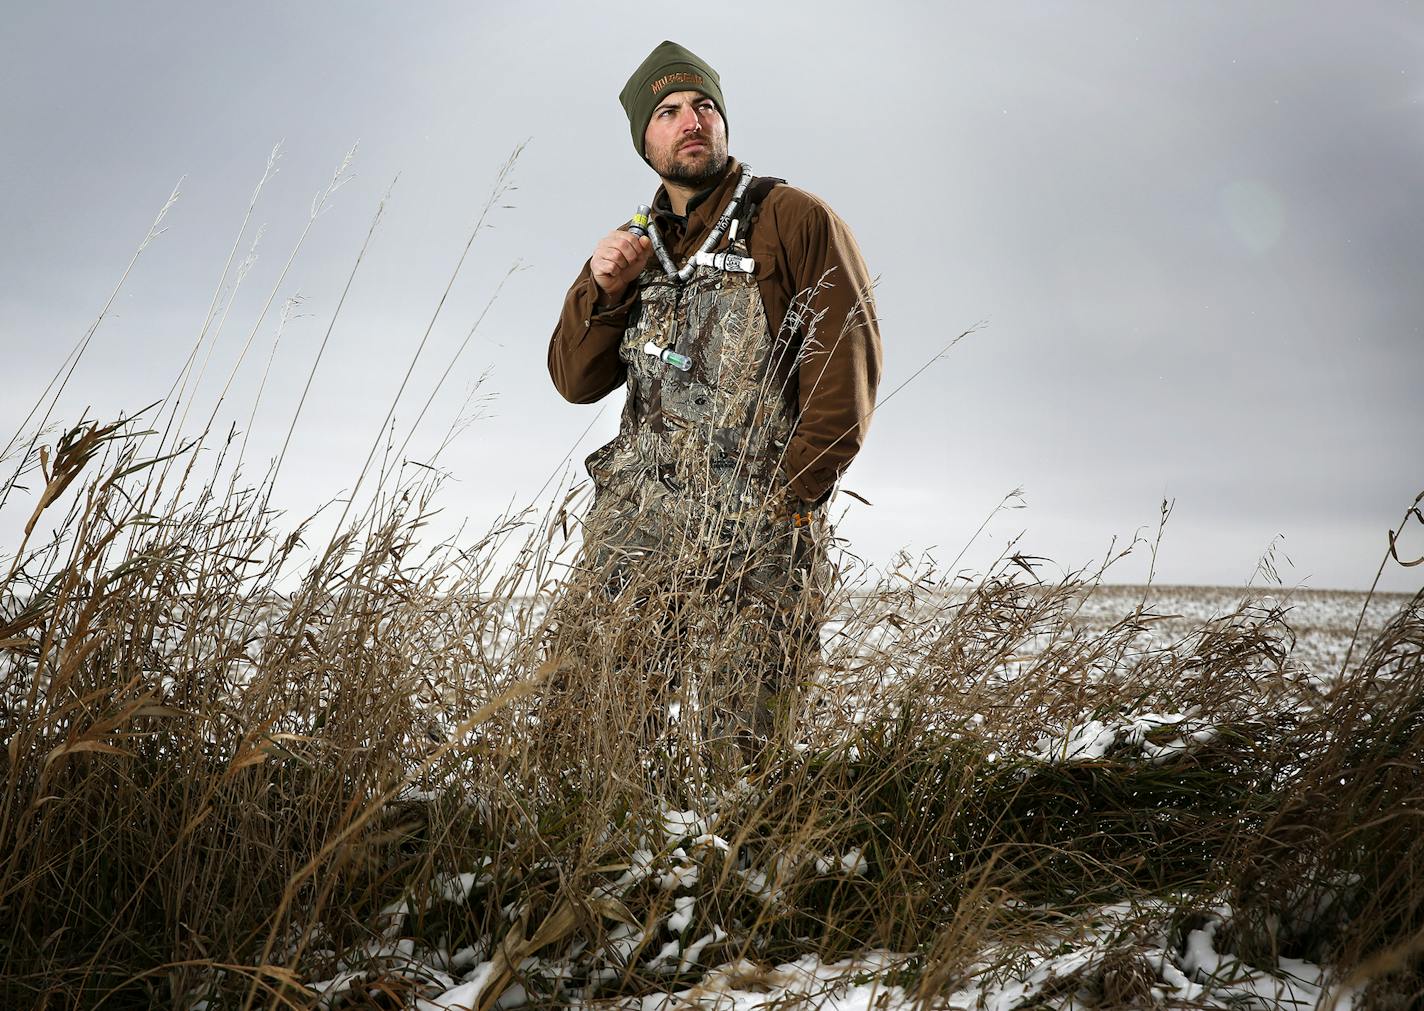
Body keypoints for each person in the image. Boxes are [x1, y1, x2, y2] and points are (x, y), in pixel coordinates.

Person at [546, 40, 881, 760]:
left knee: (741, 756)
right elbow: (575, 381)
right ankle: (603, 869)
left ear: (723, 122)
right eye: (667, 112)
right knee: (587, 734)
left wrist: (791, 499)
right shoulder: (635, 246)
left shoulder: (792, 219)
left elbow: (844, 368)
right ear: (646, 141)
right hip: (637, 533)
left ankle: (736, 873)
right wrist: (602, 290)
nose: (691, 121)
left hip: (759, 536)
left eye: (704, 106)